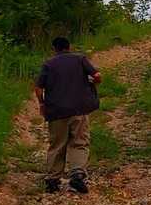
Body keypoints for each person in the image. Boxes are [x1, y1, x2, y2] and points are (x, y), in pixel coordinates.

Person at [34, 36, 102, 193]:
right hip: (79, 109)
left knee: (57, 144)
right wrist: (94, 83)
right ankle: (77, 174)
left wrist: (42, 104)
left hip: (56, 111)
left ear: (54, 49)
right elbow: (97, 76)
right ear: (69, 46)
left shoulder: (49, 64)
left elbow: (38, 88)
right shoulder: (80, 59)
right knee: (79, 142)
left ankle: (53, 179)